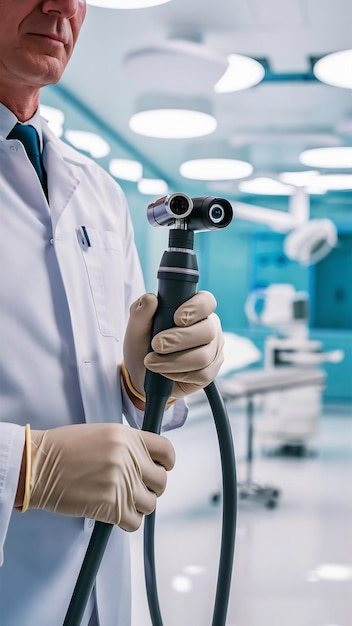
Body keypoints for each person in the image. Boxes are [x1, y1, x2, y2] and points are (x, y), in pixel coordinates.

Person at [0, 1, 224, 625]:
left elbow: (104, 386)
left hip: (100, 584)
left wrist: (147, 378)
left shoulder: (96, 192)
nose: (61, 7)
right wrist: (23, 470)